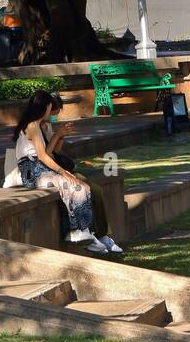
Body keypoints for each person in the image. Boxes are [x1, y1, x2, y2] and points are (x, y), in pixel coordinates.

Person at [13, 91, 120, 254]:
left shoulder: (41, 125)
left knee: (81, 187)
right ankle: (80, 232)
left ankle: (83, 232)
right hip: (34, 171)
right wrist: (63, 172)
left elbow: (48, 153)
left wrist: (59, 136)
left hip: (43, 167)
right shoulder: (32, 126)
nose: (53, 112)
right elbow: (42, 156)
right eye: (51, 108)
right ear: (45, 107)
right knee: (74, 185)